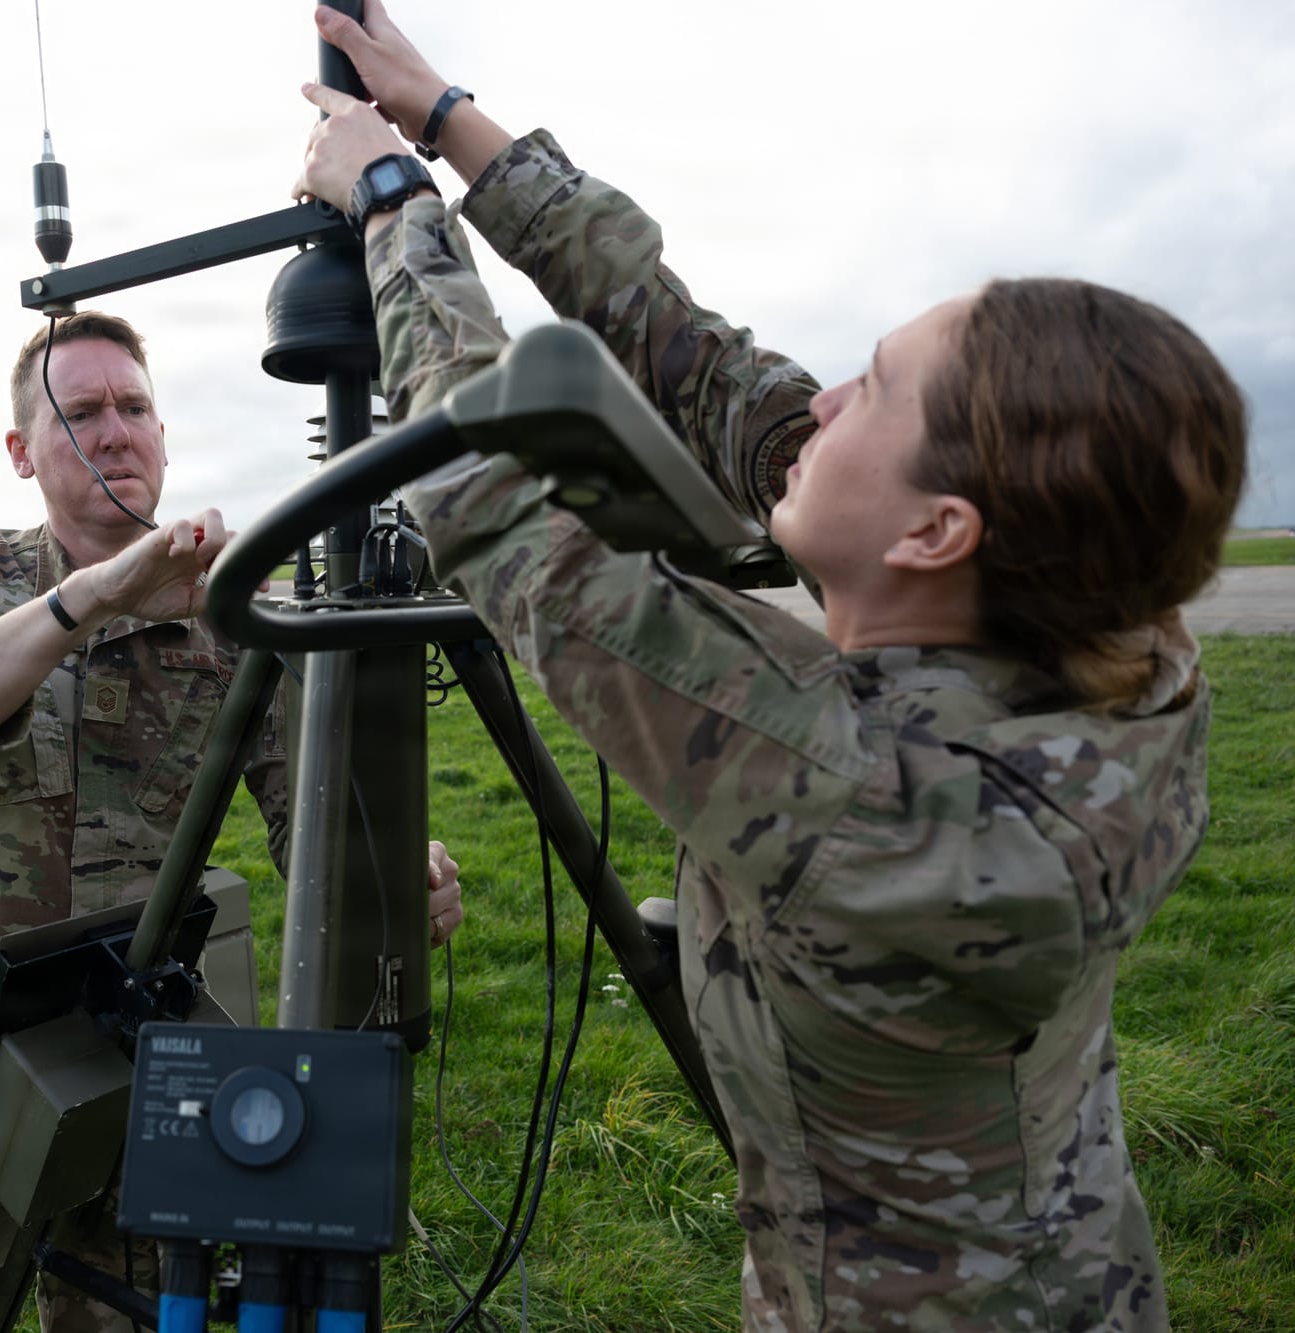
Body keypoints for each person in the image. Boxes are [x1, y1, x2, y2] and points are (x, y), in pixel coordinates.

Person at [288, 4, 1248, 1330]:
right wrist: (444, 116)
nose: (824, 404)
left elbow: (501, 513)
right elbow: (708, 367)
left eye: (871, 384)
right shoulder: (1111, 648)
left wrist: (389, 203)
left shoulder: (879, 805)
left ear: (933, 533)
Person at [0, 310, 466, 1333]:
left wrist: (392, 885)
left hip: (137, 1055)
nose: (115, 430)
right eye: (80, 412)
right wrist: (92, 597)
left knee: (116, 1315)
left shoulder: (233, 617)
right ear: (21, 452)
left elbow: (311, 826)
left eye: (133, 407)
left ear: (162, 433)